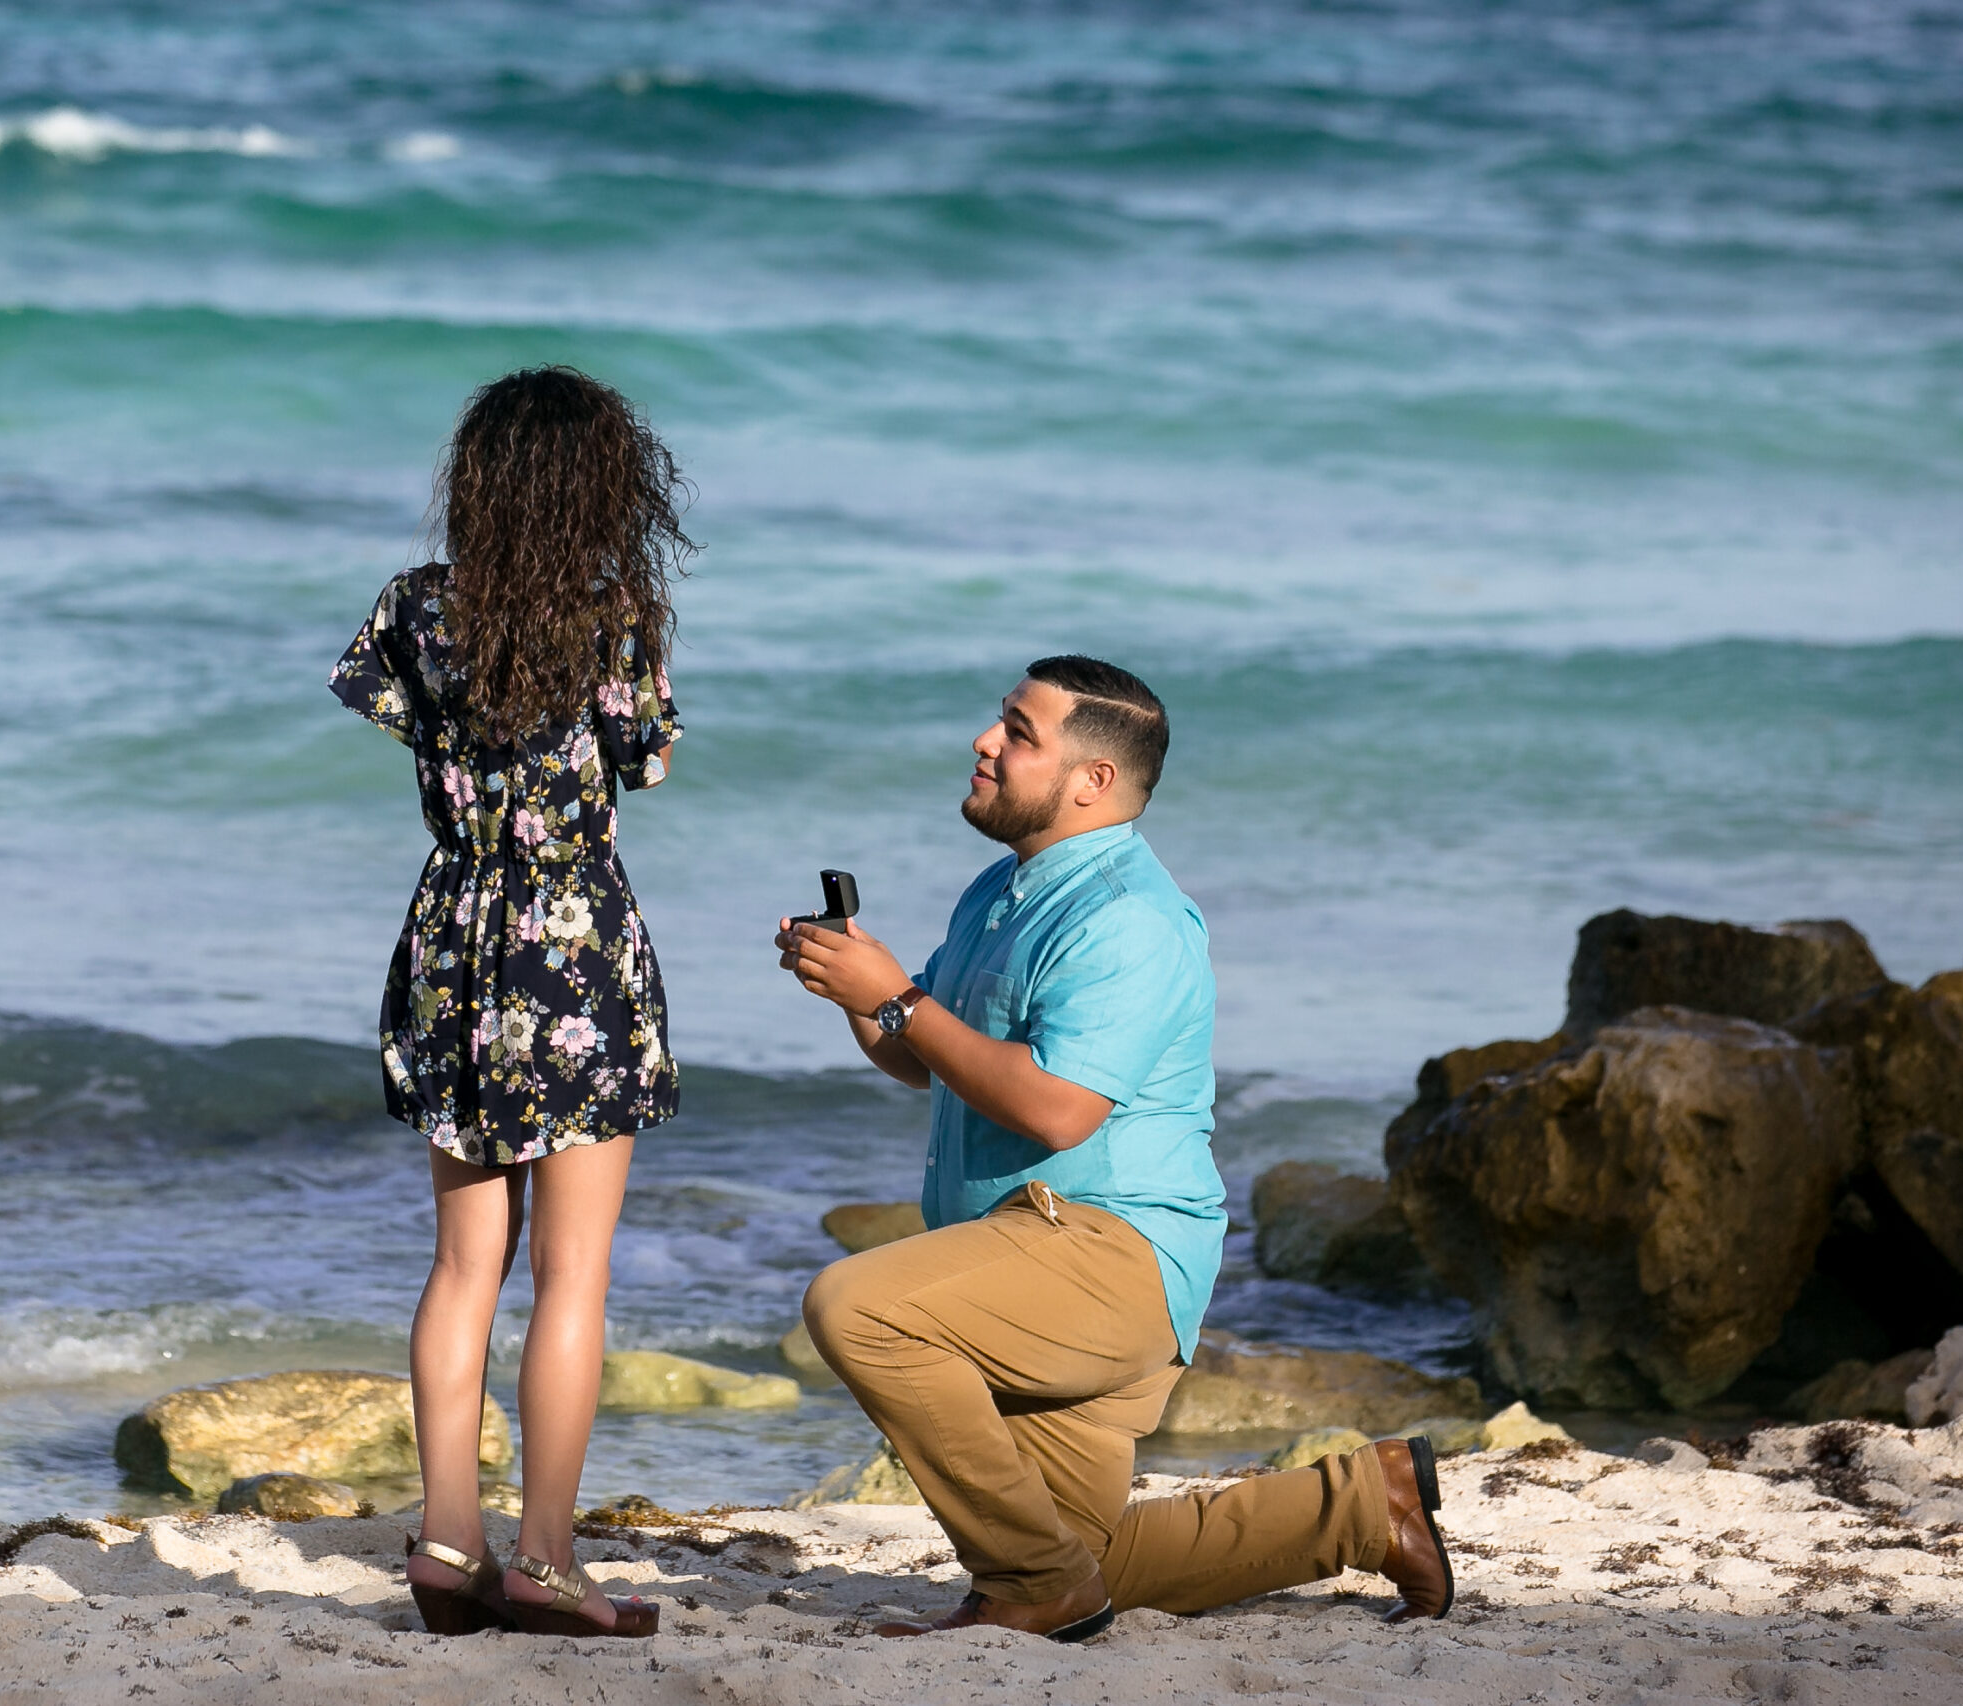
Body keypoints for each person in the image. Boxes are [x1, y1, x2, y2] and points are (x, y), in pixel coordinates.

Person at [776, 656, 1452, 1641]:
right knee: (1083, 1558)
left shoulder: (1128, 918)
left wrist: (896, 996)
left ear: (1091, 779)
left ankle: (1027, 1589)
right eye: (997, 722)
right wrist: (855, 985)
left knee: (855, 1306)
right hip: (1018, 1264)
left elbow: (1056, 1111)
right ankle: (1364, 1503)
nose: (984, 741)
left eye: (1017, 730)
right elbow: (925, 1057)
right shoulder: (1000, 889)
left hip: (1107, 1255)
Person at [331, 366, 693, 1639]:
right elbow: (642, 758)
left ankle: (444, 1540)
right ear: (603, 485)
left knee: (461, 1262)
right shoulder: (616, 618)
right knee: (572, 1271)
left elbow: (384, 704)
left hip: (454, 930)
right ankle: (545, 1558)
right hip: (573, 937)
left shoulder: (414, 608)